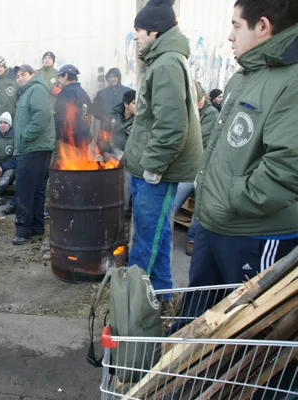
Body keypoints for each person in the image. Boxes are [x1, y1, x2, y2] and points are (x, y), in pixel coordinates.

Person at [189, 0, 298, 314]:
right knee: (199, 322)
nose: (230, 36)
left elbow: (287, 169)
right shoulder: (245, 76)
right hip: (215, 225)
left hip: (253, 234)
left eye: (236, 25)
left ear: (263, 27)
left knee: (246, 333)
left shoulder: (290, 82)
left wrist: (231, 199)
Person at [124, 0, 203, 292]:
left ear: (155, 32)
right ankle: (160, 290)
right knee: (155, 233)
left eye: (139, 31)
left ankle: (133, 299)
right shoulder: (163, 60)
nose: (136, 37)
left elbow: (171, 126)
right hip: (147, 169)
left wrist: (153, 168)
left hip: (155, 174)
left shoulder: (167, 64)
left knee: (146, 237)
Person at [172, 82, 218, 256]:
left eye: (198, 100)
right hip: (185, 167)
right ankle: (163, 236)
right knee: (172, 203)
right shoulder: (187, 109)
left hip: (202, 168)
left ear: (203, 99)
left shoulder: (211, 115)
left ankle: (192, 240)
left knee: (199, 208)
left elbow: (194, 140)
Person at [12, 65, 55, 245]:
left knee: (24, 190)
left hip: (32, 148)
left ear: (32, 75)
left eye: (23, 75)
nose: (20, 78)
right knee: (37, 190)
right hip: (37, 147)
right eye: (18, 76)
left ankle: (23, 230)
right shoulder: (30, 91)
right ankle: (37, 227)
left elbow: (42, 116)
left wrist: (24, 136)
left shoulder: (35, 89)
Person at [102, 89, 137, 213]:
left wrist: (124, 157)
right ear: (126, 104)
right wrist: (104, 152)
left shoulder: (140, 120)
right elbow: (102, 136)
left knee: (127, 177)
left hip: (130, 158)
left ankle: (122, 209)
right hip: (111, 153)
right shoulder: (113, 115)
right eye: (134, 103)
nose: (137, 106)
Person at [53, 64, 93, 160]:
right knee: (81, 172)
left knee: (65, 173)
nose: (59, 80)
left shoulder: (66, 93)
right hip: (83, 143)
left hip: (68, 145)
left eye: (59, 77)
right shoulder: (84, 93)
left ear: (66, 75)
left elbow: (61, 118)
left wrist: (58, 137)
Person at [0, 56, 18, 130]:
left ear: (5, 67)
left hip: (11, 117)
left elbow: (20, 96)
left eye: (0, 67)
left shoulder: (13, 79)